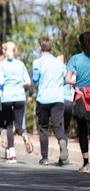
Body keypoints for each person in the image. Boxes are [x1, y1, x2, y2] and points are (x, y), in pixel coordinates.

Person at [32, 36, 69, 166]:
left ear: (39, 48)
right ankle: (62, 141)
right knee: (57, 126)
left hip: (43, 99)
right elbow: (66, 79)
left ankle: (45, 158)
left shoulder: (37, 62)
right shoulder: (60, 63)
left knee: (43, 127)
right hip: (58, 98)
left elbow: (35, 79)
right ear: (51, 48)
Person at [0, 41, 33, 164]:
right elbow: (28, 82)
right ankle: (23, 135)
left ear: (4, 51)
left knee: (9, 125)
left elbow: (0, 82)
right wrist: (18, 83)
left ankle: (11, 152)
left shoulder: (0, 65)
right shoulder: (21, 64)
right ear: (15, 51)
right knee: (18, 126)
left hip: (7, 98)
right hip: (20, 97)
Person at [65, 31, 90, 173]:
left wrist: (78, 83)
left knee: (83, 131)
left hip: (81, 97)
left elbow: (67, 79)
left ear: (80, 43)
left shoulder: (75, 59)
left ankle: (86, 163)